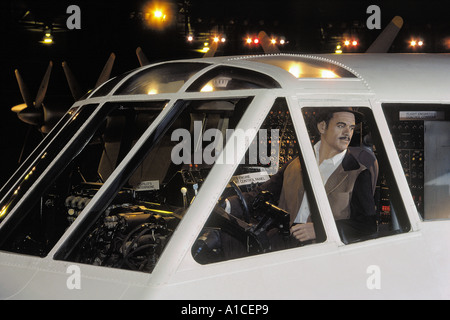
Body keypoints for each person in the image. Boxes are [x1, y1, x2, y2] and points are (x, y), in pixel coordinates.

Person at [225, 107, 378, 248]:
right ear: (322, 127)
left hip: (321, 250)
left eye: (351, 128)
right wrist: (226, 205)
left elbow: (367, 226)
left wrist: (320, 230)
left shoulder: (359, 173)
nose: (347, 133)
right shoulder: (295, 164)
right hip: (283, 241)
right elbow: (260, 195)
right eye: (341, 125)